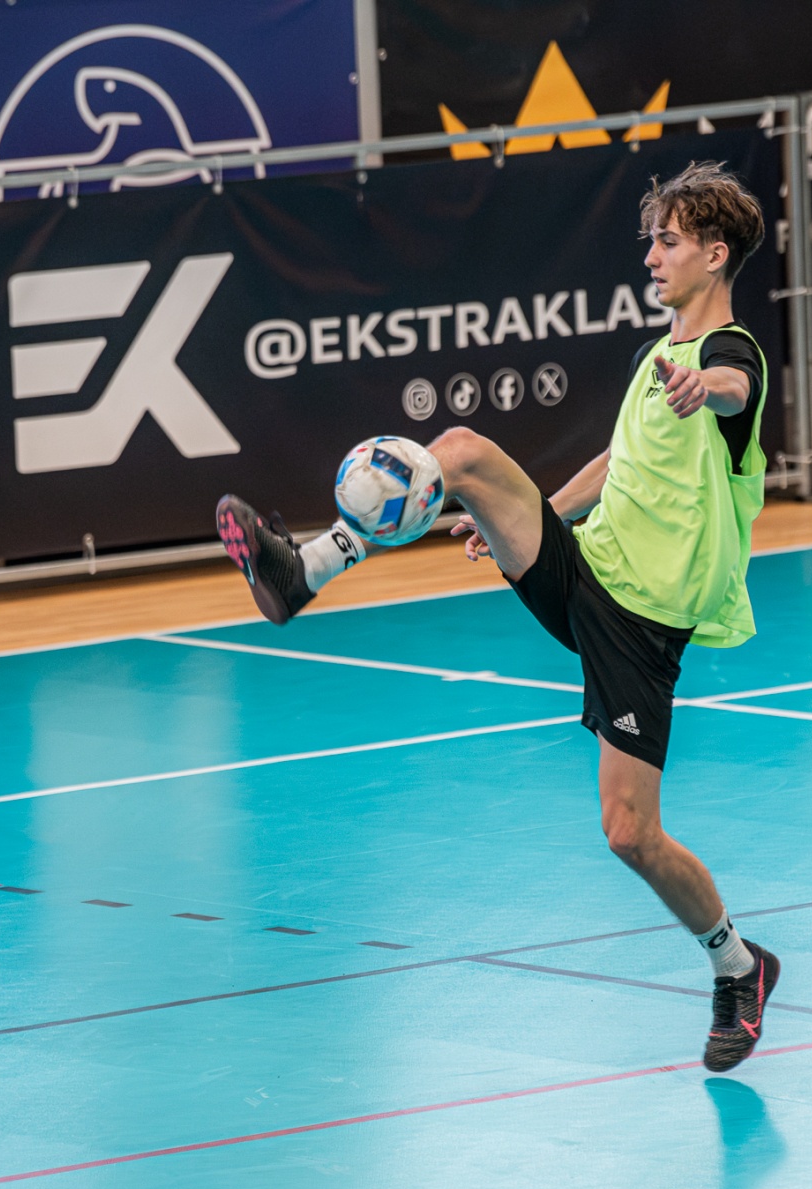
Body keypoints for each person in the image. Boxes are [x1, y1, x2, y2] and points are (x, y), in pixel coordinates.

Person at [214, 161, 782, 1073]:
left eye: (668, 242)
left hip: (643, 626)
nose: (651, 256)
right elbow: (620, 461)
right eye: (651, 240)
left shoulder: (730, 355)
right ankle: (304, 570)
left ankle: (738, 966)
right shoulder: (654, 362)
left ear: (715, 256)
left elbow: (734, 389)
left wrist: (704, 388)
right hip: (588, 569)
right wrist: (538, 517)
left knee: (629, 833)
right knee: (465, 454)